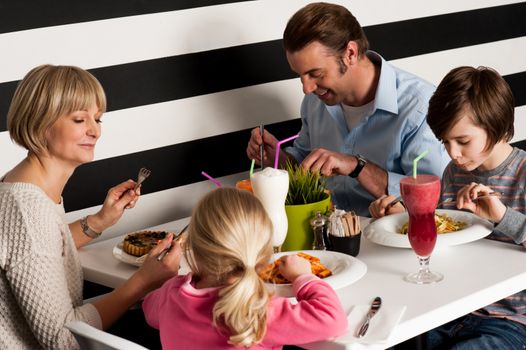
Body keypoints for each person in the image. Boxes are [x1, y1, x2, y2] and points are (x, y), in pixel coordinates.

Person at [0, 64, 179, 349]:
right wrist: (143, 282)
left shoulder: (24, 187)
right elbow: (64, 339)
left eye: (97, 119)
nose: (94, 131)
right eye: (79, 119)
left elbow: (37, 255)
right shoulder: (28, 211)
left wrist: (100, 221)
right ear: (39, 122)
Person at [370, 66, 526, 349]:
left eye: (463, 141)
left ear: (497, 125)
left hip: (510, 321)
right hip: (450, 310)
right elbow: (442, 236)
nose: (453, 153)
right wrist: (406, 218)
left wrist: (501, 216)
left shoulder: (523, 172)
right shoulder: (455, 174)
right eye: (445, 141)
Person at [246, 2, 449, 216]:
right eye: (300, 75)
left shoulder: (420, 106)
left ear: (350, 53)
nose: (306, 88)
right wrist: (276, 159)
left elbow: (435, 199)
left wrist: (357, 167)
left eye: (316, 74)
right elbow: (306, 165)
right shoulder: (314, 102)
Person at [142, 187, 348, 349]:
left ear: (193, 247)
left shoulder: (171, 294)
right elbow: (333, 320)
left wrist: (167, 279)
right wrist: (303, 277)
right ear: (263, 252)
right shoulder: (257, 311)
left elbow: (148, 309)